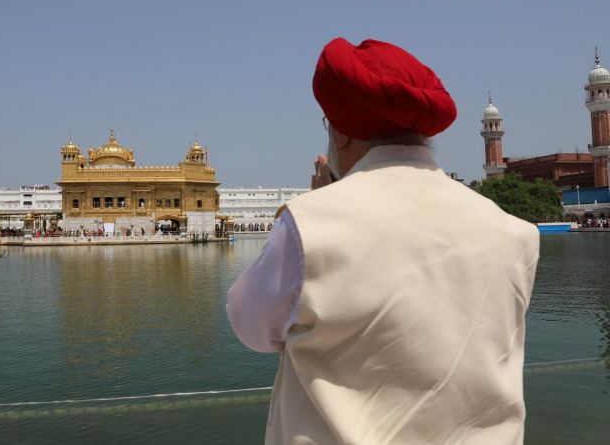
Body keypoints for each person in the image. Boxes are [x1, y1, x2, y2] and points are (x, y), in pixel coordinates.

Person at [227, 37, 540, 444]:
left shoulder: (310, 225)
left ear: (339, 134)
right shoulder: (515, 233)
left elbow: (249, 326)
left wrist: (322, 203)